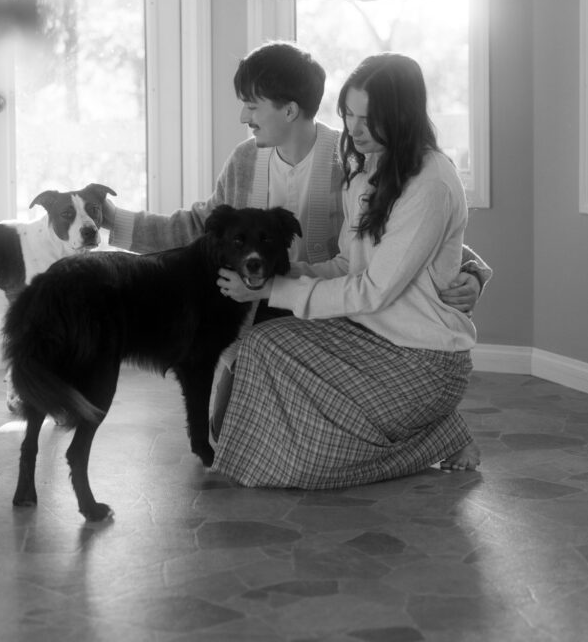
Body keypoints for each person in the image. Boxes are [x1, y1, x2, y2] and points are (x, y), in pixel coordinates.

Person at [103, 42, 490, 433]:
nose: (244, 117)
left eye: (252, 106)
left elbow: (407, 242)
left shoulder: (352, 160)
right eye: (349, 114)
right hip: (258, 313)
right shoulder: (245, 160)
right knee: (230, 433)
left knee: (293, 439)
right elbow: (197, 228)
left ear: (288, 110)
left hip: (336, 319)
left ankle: (432, 430)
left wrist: (472, 270)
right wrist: (113, 221)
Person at [212, 52, 482, 489]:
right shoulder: (366, 173)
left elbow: (373, 290)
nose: (354, 130)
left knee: (306, 467)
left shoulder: (431, 182)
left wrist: (270, 291)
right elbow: (344, 265)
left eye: (367, 119)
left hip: (423, 359)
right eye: (348, 115)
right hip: (369, 337)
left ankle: (439, 434)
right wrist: (276, 277)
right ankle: (420, 431)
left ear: (403, 116)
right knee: (263, 345)